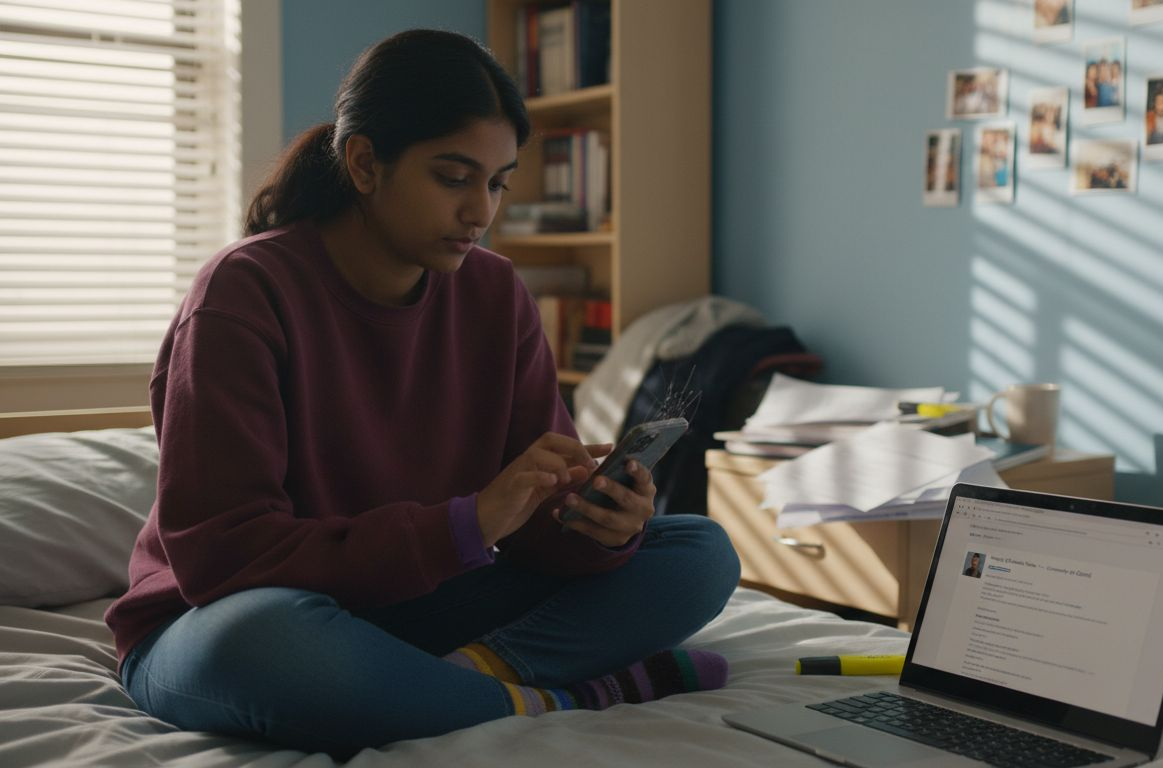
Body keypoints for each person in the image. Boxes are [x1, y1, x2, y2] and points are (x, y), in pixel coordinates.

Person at [103, 29, 741, 759]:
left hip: (425, 603)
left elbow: (534, 536)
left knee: (699, 551)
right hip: (231, 617)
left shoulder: (497, 295)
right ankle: (567, 695)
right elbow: (223, 558)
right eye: (453, 177)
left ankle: (457, 682)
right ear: (366, 163)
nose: (481, 212)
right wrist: (468, 526)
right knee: (266, 644)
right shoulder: (244, 293)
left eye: (498, 182)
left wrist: (599, 526)